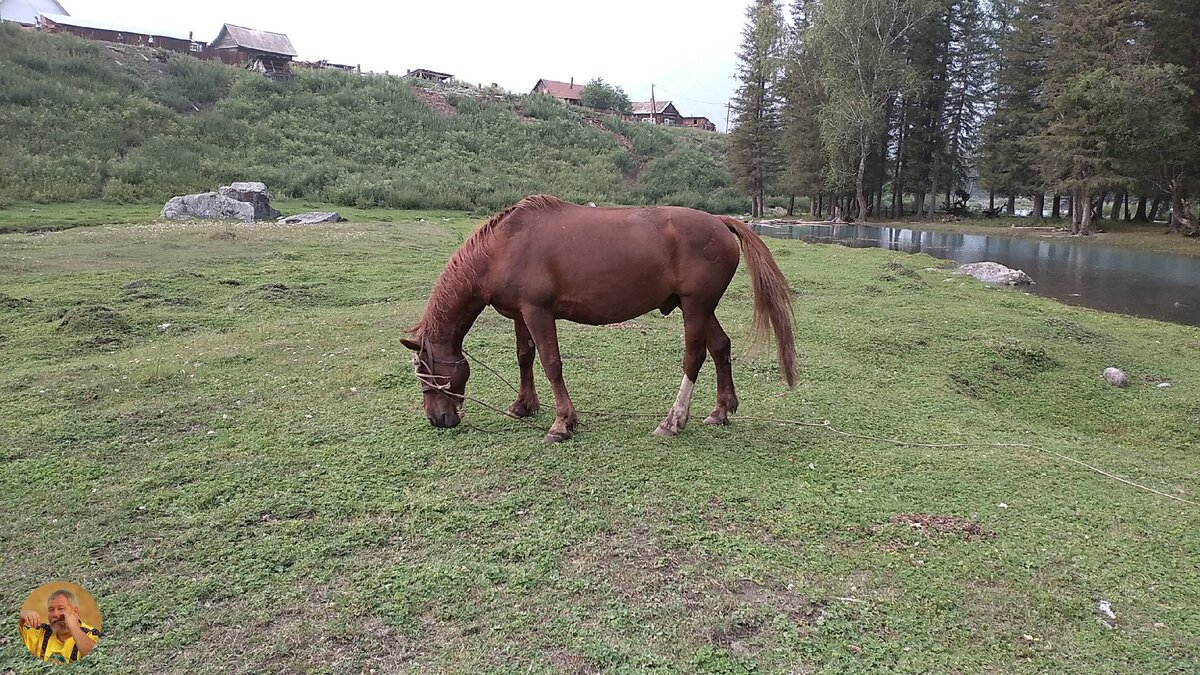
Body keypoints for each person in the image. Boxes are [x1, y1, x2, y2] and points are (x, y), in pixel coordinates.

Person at [18, 589, 100, 663]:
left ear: (75, 612)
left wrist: (73, 627)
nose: (55, 614)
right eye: (51, 610)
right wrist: (21, 617)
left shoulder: (91, 633)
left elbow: (95, 657)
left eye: (61, 609)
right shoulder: (41, 632)